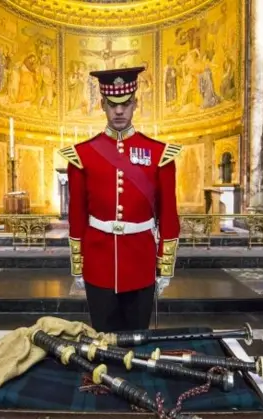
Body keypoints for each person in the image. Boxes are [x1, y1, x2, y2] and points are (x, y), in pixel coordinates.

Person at [58, 66, 181, 333]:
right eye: (112, 105)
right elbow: (77, 215)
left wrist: (165, 265)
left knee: (138, 340)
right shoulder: (82, 154)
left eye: (125, 104)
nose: (119, 111)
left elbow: (168, 215)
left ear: (135, 103)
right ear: (102, 104)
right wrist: (78, 264)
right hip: (98, 262)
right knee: (103, 340)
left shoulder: (160, 153)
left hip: (141, 261)